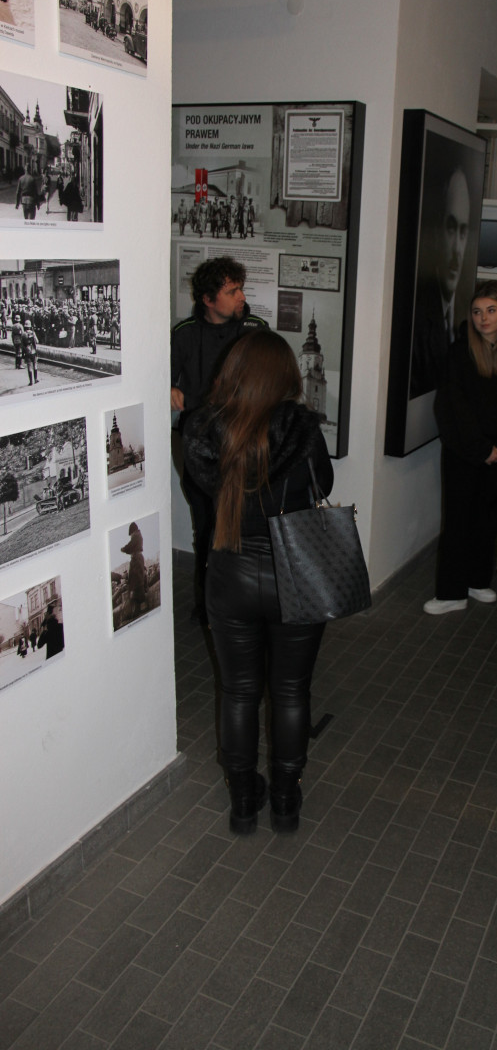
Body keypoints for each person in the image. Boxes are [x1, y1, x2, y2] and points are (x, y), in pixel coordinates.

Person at [183, 330, 333, 836]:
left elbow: (203, 487)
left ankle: (243, 801)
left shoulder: (205, 428)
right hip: (297, 574)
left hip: (231, 573)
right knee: (291, 691)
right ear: (285, 375)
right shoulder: (302, 428)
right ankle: (286, 802)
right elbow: (323, 483)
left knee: (239, 691)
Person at [423, 281, 497, 615]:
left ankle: (477, 580)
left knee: (487, 518)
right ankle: (451, 592)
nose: (483, 318)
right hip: (464, 452)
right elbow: (453, 407)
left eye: (490, 310)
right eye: (476, 312)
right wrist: (481, 448)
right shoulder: (460, 353)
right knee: (458, 520)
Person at [171, 256, 268, 616]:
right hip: (199, 446)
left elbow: (269, 381)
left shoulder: (256, 330)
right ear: (208, 300)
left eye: (241, 288)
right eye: (232, 291)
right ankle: (207, 605)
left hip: (244, 443)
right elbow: (160, 375)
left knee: (245, 526)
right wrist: (167, 387)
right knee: (205, 527)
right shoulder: (184, 334)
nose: (242, 296)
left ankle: (245, 603)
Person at [410, 165, 472, 398]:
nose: (457, 250)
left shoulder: (468, 313)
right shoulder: (417, 319)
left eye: (463, 232)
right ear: (436, 232)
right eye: (451, 228)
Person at [121, 522, 148, 617]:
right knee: (137, 580)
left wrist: (123, 549)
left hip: (136, 559)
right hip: (137, 559)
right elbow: (132, 548)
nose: (131, 536)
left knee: (136, 581)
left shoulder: (136, 536)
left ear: (132, 531)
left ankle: (138, 607)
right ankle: (139, 606)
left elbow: (130, 546)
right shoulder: (138, 536)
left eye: (130, 534)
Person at [22, 320, 38, 385]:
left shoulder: (23, 334)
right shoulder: (33, 333)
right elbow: (37, 341)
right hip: (33, 350)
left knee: (29, 366)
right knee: (35, 364)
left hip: (27, 351)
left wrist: (23, 353)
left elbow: (22, 344)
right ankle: (36, 379)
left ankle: (31, 381)